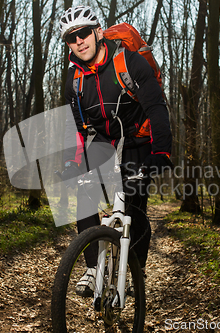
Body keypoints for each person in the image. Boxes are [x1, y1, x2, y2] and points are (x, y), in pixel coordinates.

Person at [59, 6, 173, 297]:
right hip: (103, 140)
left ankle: (135, 269)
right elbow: (76, 126)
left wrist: (161, 151)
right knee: (84, 193)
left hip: (137, 139)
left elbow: (156, 107)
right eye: (71, 38)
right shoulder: (74, 79)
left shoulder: (129, 62)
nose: (79, 41)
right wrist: (73, 163)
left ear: (98, 32)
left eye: (84, 33)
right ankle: (92, 268)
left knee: (135, 206)